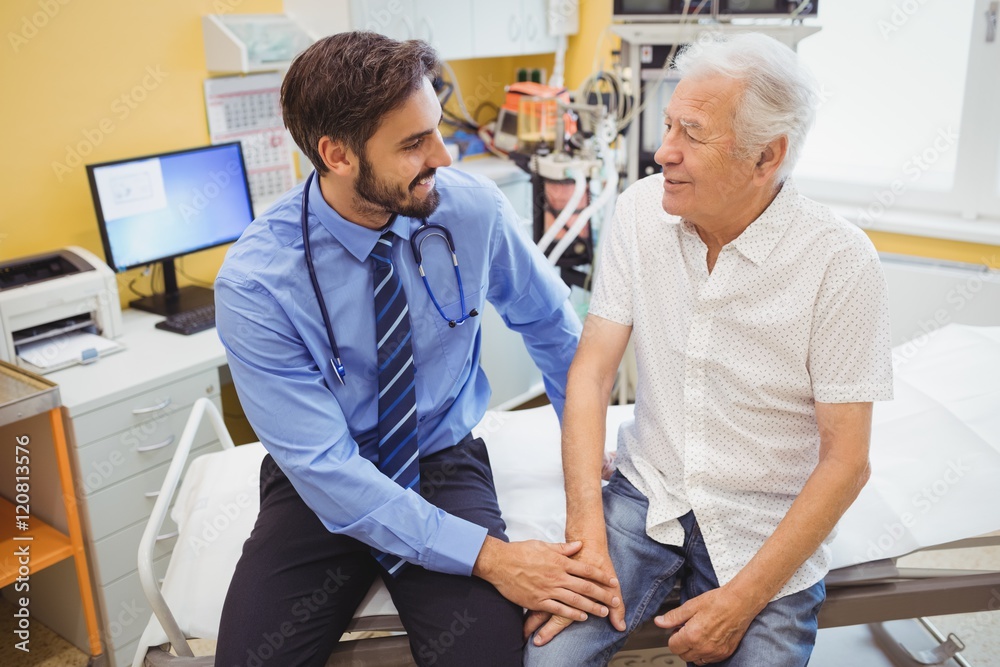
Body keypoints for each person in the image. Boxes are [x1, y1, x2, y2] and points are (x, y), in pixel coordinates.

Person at [213, 31, 619, 667]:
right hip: (323, 488)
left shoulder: (470, 212)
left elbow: (552, 326)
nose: (445, 156)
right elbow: (325, 469)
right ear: (336, 154)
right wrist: (493, 559)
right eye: (414, 143)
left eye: (435, 129)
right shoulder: (258, 285)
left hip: (441, 464)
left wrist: (583, 440)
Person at [524, 32, 894, 666]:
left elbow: (847, 461)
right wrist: (585, 525)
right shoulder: (641, 214)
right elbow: (589, 375)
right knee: (547, 657)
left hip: (765, 520)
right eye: (669, 125)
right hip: (649, 493)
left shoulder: (840, 263)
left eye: (691, 135)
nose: (664, 152)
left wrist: (742, 600)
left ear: (765, 157)